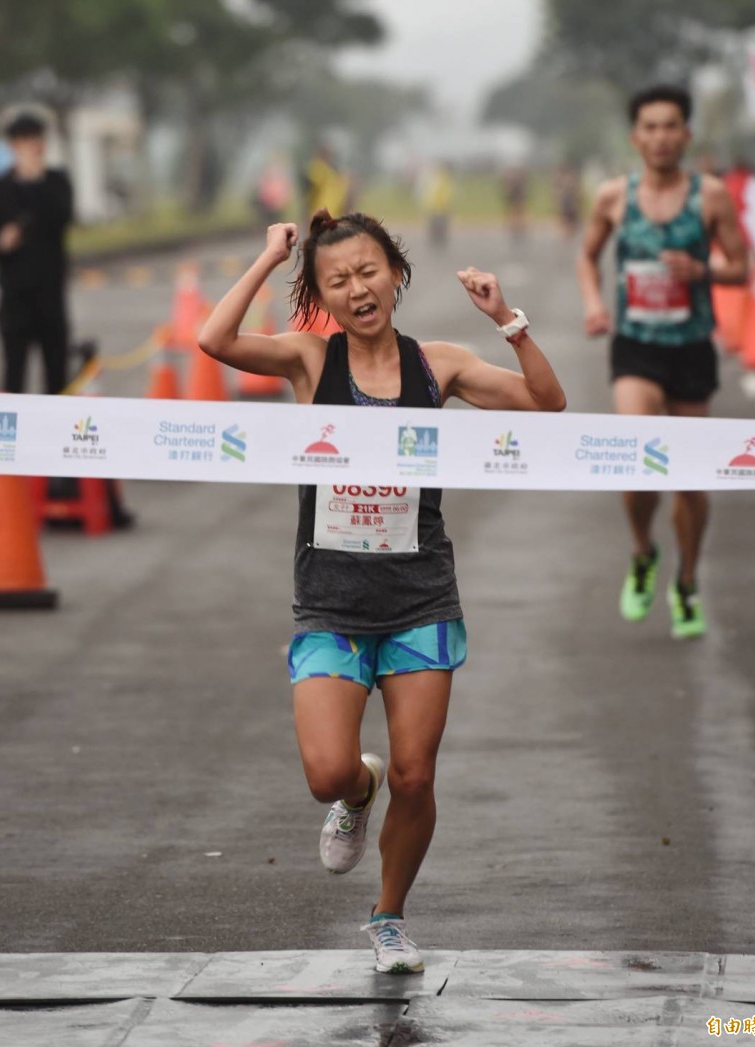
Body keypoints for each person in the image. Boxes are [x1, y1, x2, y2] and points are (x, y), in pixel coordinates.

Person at [198, 209, 566, 973]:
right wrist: (270, 258)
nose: (357, 288)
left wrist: (508, 319)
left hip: (419, 598)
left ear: (396, 273)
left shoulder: (440, 365)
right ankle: (355, 793)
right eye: (338, 280)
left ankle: (389, 917)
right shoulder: (309, 360)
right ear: (322, 295)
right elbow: (215, 341)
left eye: (369, 271)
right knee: (330, 771)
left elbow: (546, 403)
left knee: (418, 773)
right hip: (330, 601)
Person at [576, 84, 748, 639]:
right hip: (636, 346)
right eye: (650, 127)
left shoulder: (711, 196)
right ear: (635, 137)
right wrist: (596, 304)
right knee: (637, 456)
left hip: (691, 347)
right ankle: (644, 550)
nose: (661, 137)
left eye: (671, 125)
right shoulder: (614, 196)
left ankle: (687, 581)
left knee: (690, 482)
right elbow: (587, 255)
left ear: (687, 134)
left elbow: (741, 269)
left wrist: (703, 272)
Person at [0, 111, 73, 394]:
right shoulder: (1, 188)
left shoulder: (56, 182)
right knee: (14, 373)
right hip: (15, 296)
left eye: (39, 138)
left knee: (57, 374)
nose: (35, 146)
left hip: (51, 293)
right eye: (28, 139)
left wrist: (37, 180)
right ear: (15, 145)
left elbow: (63, 216)